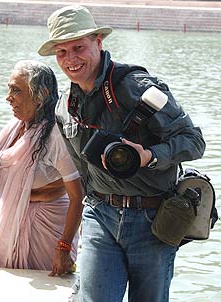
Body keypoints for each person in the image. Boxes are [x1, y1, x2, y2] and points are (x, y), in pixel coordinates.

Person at [38, 5, 206, 302]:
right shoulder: (65, 107)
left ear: (98, 43)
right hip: (99, 216)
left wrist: (149, 156)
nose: (71, 59)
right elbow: (82, 171)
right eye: (62, 52)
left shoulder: (136, 88)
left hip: (153, 221)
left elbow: (193, 141)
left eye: (78, 47)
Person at [0, 60, 83, 276]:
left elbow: (78, 197)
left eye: (16, 90)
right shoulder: (14, 129)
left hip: (47, 228)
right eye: (9, 89)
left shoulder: (55, 135)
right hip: (10, 224)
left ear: (40, 95)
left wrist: (64, 246)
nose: (8, 97)